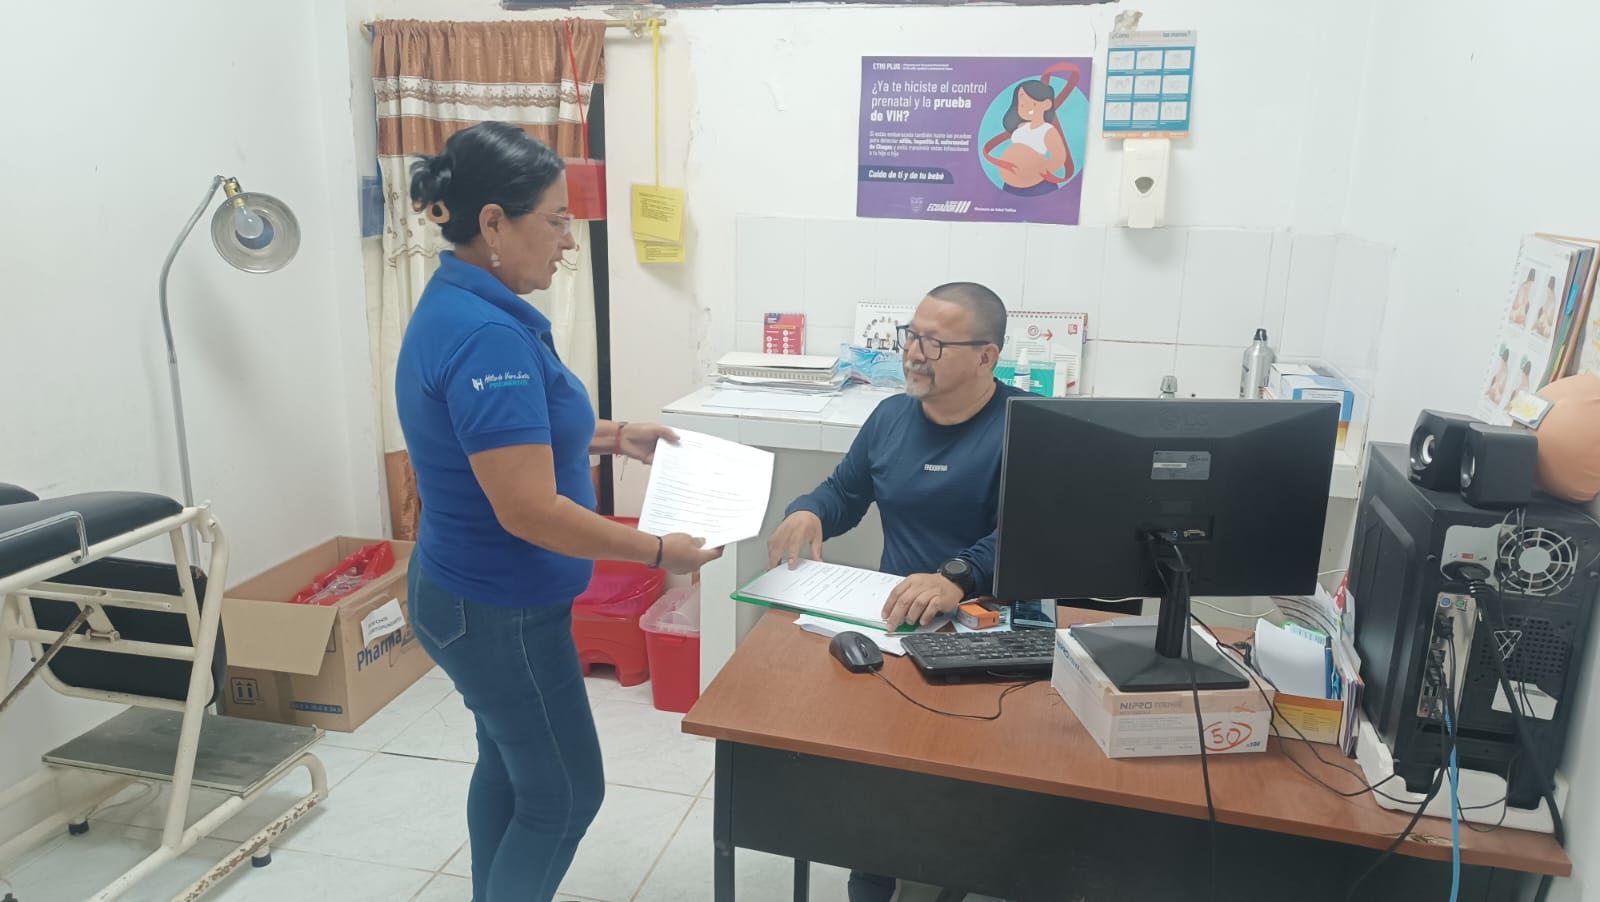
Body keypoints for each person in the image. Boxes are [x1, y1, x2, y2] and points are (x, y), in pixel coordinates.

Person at [394, 121, 722, 902]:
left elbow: (507, 437)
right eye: (557, 220)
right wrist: (659, 551)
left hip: (465, 592)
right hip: (498, 609)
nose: (570, 242)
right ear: (494, 223)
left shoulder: (461, 303)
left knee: (510, 767)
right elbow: (529, 510)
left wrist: (613, 435)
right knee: (565, 795)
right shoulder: (486, 338)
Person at [766, 282, 1024, 902]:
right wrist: (809, 510)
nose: (913, 353)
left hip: (993, 632)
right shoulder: (890, 417)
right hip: (896, 627)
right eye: (912, 336)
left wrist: (955, 577)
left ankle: (964, 871)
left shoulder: (1028, 426)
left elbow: (1027, 533)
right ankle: (874, 872)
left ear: (986, 357)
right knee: (877, 777)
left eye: (935, 343)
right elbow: (845, 492)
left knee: (969, 790)